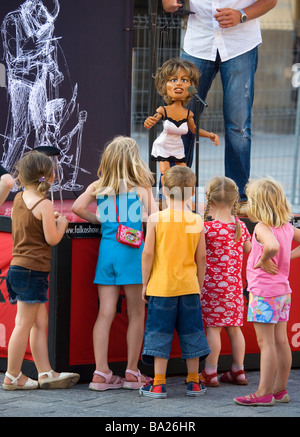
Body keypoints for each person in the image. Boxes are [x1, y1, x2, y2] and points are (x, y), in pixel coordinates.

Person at [162, 0, 278, 213]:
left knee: (238, 126)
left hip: (240, 45)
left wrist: (241, 14)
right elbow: (168, 3)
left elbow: (270, 1)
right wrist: (168, 3)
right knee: (180, 120)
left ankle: (238, 200)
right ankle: (176, 197)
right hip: (198, 43)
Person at [72, 136, 158, 391]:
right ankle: (132, 371)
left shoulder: (98, 186)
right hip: (132, 254)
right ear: (134, 161)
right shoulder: (141, 188)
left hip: (107, 252)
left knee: (105, 312)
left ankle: (101, 373)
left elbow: (77, 207)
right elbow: (155, 217)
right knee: (137, 313)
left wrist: (98, 220)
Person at [3, 150, 79, 390]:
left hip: (18, 268)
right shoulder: (45, 204)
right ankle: (13, 376)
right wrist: (62, 223)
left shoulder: (18, 200)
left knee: (38, 322)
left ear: (22, 177)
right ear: (50, 177)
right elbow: (52, 239)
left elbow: (29, 228)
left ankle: (45, 372)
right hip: (32, 272)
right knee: (24, 323)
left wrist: (50, 219)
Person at [140, 166, 210, 398]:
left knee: (159, 333)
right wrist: (198, 285)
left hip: (161, 287)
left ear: (163, 188)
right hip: (189, 287)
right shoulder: (195, 220)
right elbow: (201, 257)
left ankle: (158, 383)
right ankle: (194, 381)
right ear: (191, 192)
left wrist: (144, 283)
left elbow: (148, 254)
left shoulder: (156, 218)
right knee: (192, 333)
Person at [234, 177, 300, 406]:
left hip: (264, 294)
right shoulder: (288, 227)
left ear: (258, 205)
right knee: (281, 342)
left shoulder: (263, 227)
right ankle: (280, 390)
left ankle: (263, 393)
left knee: (267, 344)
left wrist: (263, 260)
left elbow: (271, 247)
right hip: (282, 292)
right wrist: (288, 257)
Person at [199, 176, 251, 388]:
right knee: (234, 328)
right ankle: (238, 369)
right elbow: (248, 249)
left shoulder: (207, 228)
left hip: (211, 287)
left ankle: (210, 371)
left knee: (213, 329)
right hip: (234, 289)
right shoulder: (240, 226)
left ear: (209, 199)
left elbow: (199, 254)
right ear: (235, 200)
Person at [144, 58, 219, 187]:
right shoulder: (163, 110)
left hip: (177, 147)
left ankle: (185, 199)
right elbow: (152, 121)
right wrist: (149, 122)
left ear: (191, 87)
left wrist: (210, 135)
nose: (178, 84)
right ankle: (163, 198)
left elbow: (194, 130)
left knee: (184, 174)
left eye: (184, 80)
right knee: (166, 174)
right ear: (165, 85)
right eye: (173, 80)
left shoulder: (188, 114)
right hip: (163, 146)